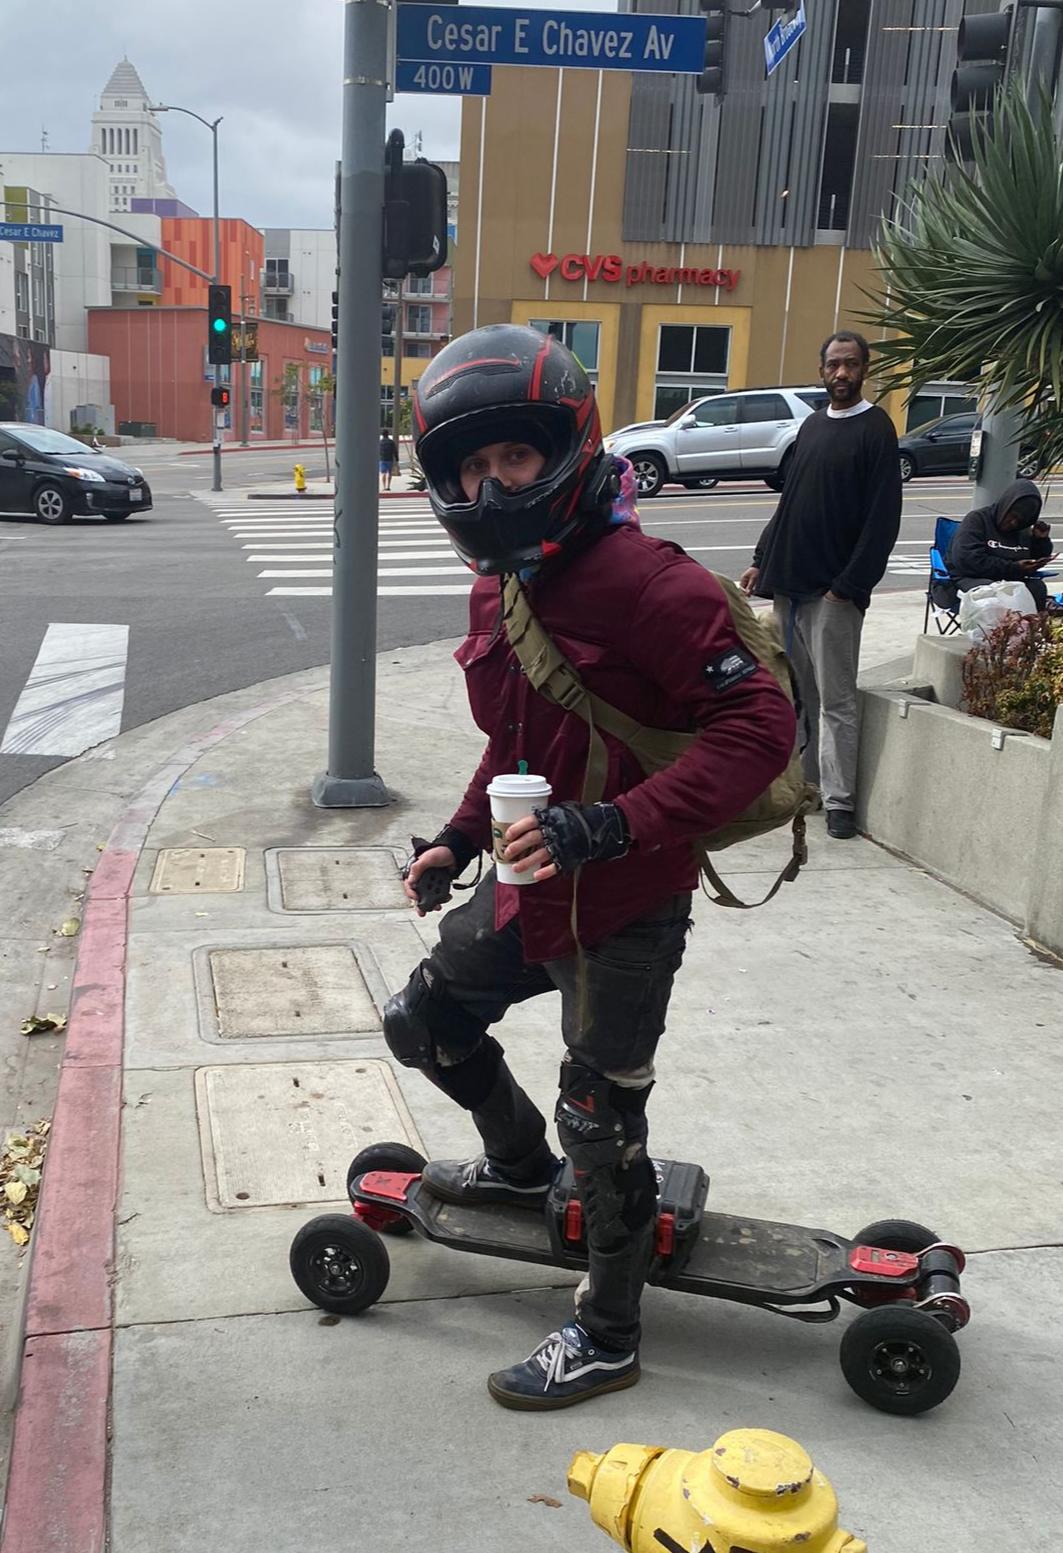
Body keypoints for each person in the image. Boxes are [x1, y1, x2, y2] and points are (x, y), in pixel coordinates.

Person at [384, 323, 797, 1410]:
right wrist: (459, 838)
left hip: (624, 904)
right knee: (421, 1021)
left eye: (510, 458)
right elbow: (517, 744)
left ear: (563, 448)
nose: (489, 482)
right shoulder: (499, 590)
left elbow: (759, 729)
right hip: (530, 892)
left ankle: (608, 1331)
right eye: (467, 467)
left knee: (602, 1123)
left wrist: (611, 825)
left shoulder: (650, 585)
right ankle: (517, 1160)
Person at [739, 331, 902, 841]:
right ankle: (804, 788)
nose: (841, 374)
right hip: (789, 586)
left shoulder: (876, 429)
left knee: (836, 702)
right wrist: (762, 560)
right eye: (833, 364)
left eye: (850, 365)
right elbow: (790, 502)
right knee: (799, 696)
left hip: (834, 594)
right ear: (821, 368)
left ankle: (840, 802)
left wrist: (849, 586)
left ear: (864, 369)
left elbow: (883, 519)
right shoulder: (810, 426)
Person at [947, 478, 1054, 612]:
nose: (1014, 523)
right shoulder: (977, 520)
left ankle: (1028, 631)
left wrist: (1041, 541)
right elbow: (967, 559)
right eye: (1012, 516)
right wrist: (1014, 567)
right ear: (1005, 506)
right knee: (993, 595)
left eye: (1020, 521)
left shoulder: (1022, 529)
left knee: (1037, 588)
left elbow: (1034, 556)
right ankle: (997, 632)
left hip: (1009, 580)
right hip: (969, 578)